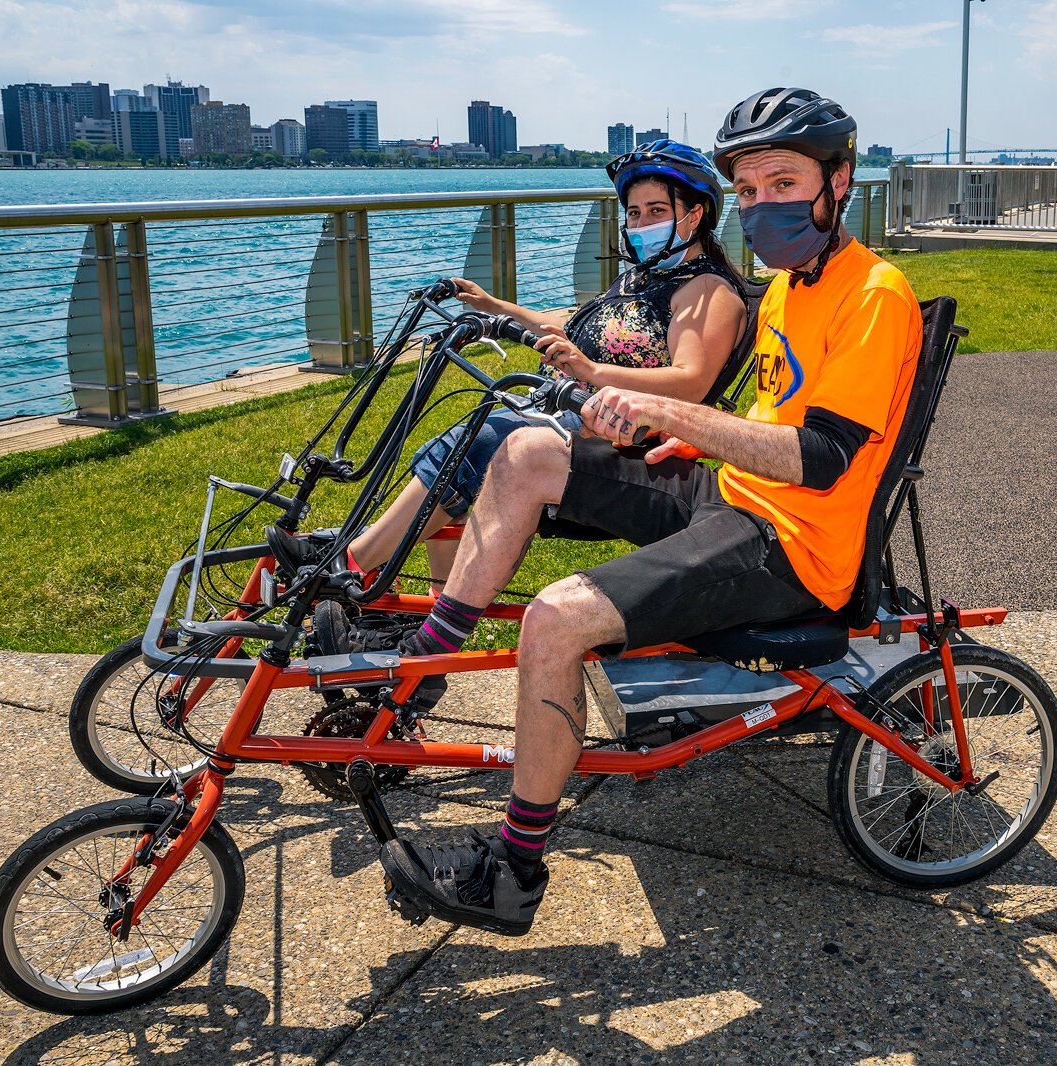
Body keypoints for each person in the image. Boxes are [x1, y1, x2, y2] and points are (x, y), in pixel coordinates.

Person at [374, 88, 925, 937]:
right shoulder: (786, 289)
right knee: (523, 449)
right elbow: (765, 427)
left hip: (793, 545)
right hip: (729, 494)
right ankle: (421, 658)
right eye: (748, 190)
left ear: (840, 180)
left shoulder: (873, 295)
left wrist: (673, 415)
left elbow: (821, 460)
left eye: (783, 183)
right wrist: (686, 443)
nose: (762, 205)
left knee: (556, 622)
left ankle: (511, 875)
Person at [335, 141, 748, 594]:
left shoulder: (707, 290)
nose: (641, 224)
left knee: (490, 437)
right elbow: (573, 327)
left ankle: (354, 560)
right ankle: (430, 621)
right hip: (569, 414)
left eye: (655, 211)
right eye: (633, 214)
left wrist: (592, 371)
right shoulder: (644, 277)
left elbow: (690, 382)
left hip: (625, 437)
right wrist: (494, 306)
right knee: (469, 441)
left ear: (695, 215)